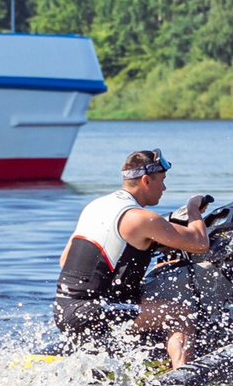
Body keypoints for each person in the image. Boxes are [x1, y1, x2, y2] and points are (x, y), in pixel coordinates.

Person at [56, 149, 213, 369]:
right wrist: (193, 209)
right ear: (146, 180)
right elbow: (199, 243)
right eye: (162, 181)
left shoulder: (96, 207)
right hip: (93, 311)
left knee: (153, 292)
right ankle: (183, 385)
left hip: (63, 308)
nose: (164, 188)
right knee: (180, 315)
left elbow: (66, 260)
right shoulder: (140, 217)